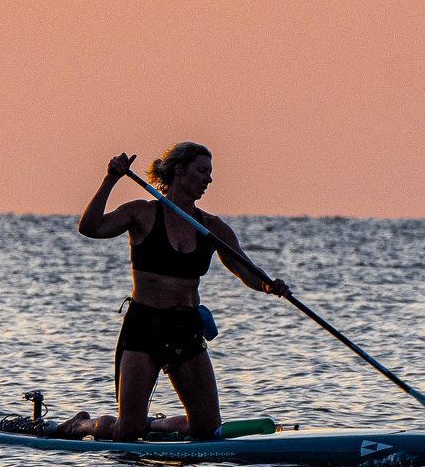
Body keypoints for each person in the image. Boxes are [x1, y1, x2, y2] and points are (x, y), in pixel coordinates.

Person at [76, 143, 287, 441]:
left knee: (206, 430)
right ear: (179, 170)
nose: (209, 180)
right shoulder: (142, 213)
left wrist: (268, 284)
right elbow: (91, 227)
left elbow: (246, 270)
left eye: (210, 173)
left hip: (184, 329)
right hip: (143, 327)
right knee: (127, 431)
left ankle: (158, 425)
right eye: (202, 171)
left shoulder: (212, 228)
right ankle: (80, 425)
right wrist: (111, 178)